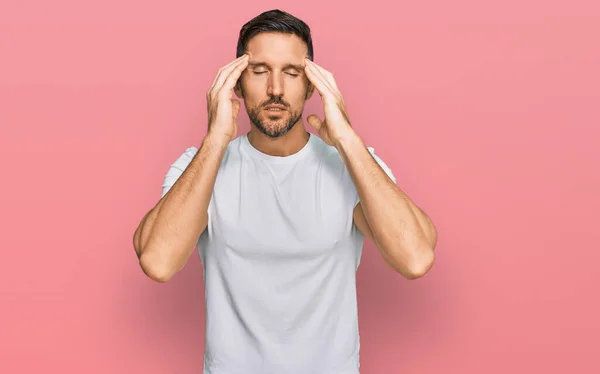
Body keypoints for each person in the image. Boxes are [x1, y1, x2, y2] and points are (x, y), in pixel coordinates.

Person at [133, 9, 437, 374]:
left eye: (292, 73)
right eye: (259, 71)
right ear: (237, 83)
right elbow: (157, 262)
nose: (275, 88)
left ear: (311, 85)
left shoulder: (352, 164)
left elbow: (416, 258)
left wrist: (347, 140)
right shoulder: (199, 167)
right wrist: (215, 139)